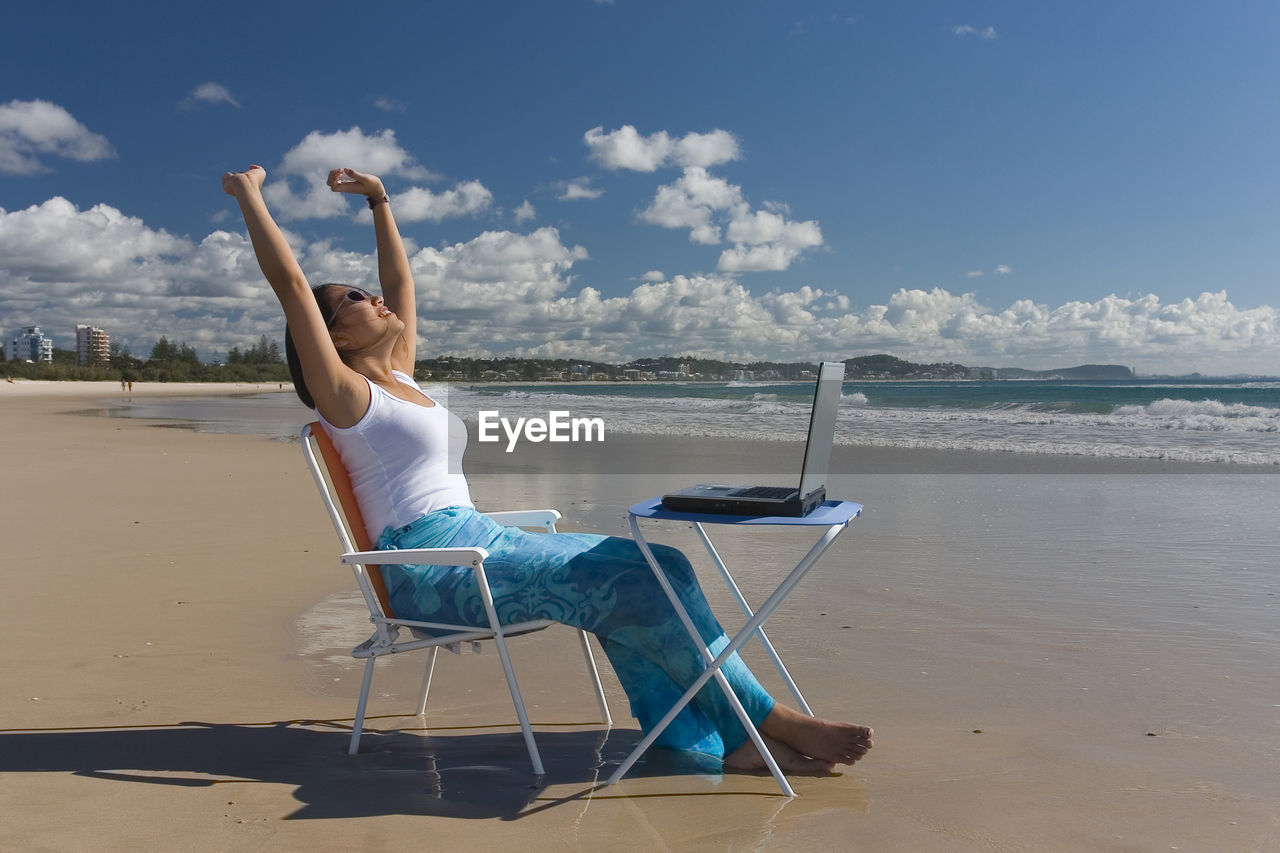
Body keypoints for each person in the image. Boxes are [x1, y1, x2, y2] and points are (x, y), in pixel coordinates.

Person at [221, 164, 872, 775]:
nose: (376, 297)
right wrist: (252, 193)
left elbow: (404, 286)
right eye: (354, 299)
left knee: (662, 566)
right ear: (329, 336)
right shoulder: (346, 396)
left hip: (482, 539)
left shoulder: (399, 378)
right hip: (432, 569)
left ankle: (708, 739)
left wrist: (380, 199)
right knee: (628, 587)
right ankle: (771, 720)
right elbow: (292, 287)